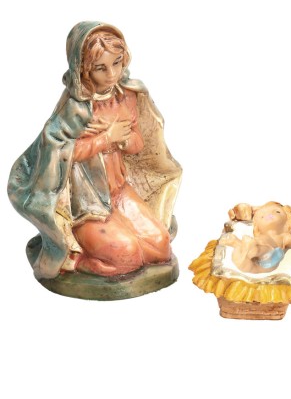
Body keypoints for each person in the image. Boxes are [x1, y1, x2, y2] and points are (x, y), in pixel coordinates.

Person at [8, 21, 182, 281]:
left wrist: (123, 139)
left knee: (160, 246)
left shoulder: (126, 95)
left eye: (117, 63)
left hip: (119, 190)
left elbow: (138, 144)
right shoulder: (75, 107)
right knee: (127, 255)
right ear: (84, 69)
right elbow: (59, 153)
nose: (112, 74)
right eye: (101, 68)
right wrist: (105, 138)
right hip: (86, 203)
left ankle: (116, 236)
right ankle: (77, 257)